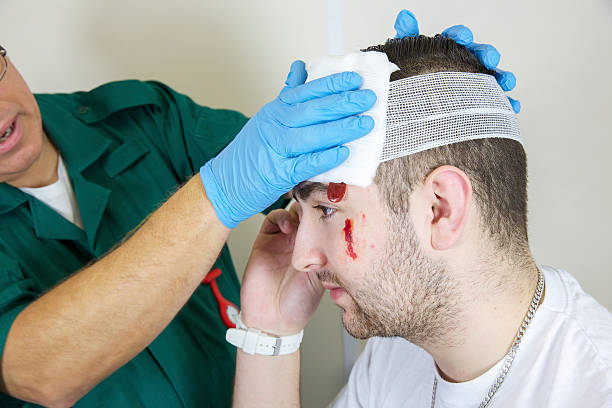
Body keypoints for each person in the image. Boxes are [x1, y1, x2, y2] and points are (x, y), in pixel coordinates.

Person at [0, 9, 515, 407]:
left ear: (441, 207)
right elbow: (39, 371)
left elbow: (326, 171)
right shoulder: (387, 369)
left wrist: (445, 113)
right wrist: (218, 197)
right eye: (315, 219)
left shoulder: (141, 118)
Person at [231, 35, 612, 407]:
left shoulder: (593, 387)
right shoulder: (398, 351)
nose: (301, 259)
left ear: (440, 209)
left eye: (327, 210)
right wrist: (269, 334)